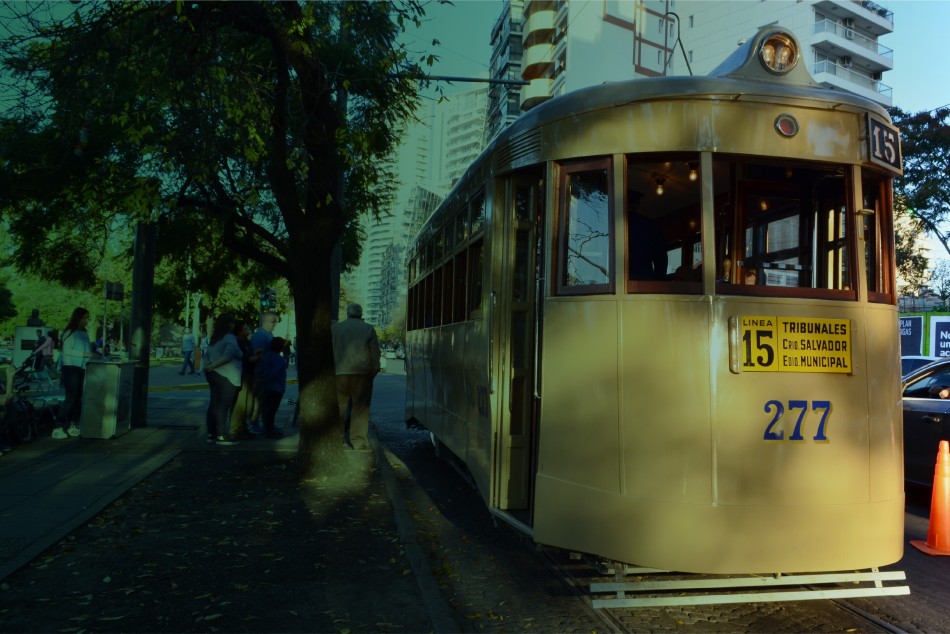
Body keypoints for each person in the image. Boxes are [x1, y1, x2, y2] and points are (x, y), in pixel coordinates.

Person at [332, 303, 381, 450]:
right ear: (361, 314)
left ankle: (337, 438)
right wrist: (374, 369)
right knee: (360, 408)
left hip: (339, 372)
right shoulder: (368, 328)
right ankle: (358, 441)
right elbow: (375, 352)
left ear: (347, 313)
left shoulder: (335, 329)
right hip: (362, 373)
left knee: (339, 407)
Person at [52, 307, 97, 439]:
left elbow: (88, 348)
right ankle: (59, 425)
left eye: (87, 318)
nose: (86, 321)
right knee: (71, 397)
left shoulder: (84, 333)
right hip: (71, 366)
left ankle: (71, 423)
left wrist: (94, 356)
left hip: (82, 367)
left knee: (78, 397)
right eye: (84, 318)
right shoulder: (70, 332)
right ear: (77, 318)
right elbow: (67, 351)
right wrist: (86, 354)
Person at [202, 313, 242, 446]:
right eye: (231, 322)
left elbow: (207, 354)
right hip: (227, 376)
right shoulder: (229, 337)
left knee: (214, 404)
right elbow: (228, 356)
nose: (233, 325)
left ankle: (211, 434)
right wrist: (213, 365)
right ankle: (221, 436)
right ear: (226, 324)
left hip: (213, 375)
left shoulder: (215, 338)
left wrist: (208, 366)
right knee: (223, 406)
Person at [230, 320, 261, 440]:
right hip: (242, 374)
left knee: (249, 405)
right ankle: (236, 429)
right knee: (240, 404)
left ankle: (243, 427)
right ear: (239, 331)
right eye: (246, 328)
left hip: (250, 374)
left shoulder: (247, 342)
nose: (248, 330)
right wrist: (254, 358)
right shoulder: (237, 343)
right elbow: (241, 359)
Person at [248, 312, 278, 433]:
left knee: (264, 400)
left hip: (266, 372)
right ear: (264, 321)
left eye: (275, 321)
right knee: (259, 399)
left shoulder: (267, 334)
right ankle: (254, 422)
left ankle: (263, 423)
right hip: (260, 372)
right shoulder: (261, 336)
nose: (275, 324)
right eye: (273, 322)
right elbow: (258, 355)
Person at [257, 337, 289, 439]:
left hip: (266, 387)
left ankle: (268, 428)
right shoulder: (280, 360)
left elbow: (261, 370)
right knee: (272, 410)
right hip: (277, 388)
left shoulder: (266, 356)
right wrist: (267, 379)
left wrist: (263, 380)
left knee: (267, 409)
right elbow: (275, 373)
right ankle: (269, 430)